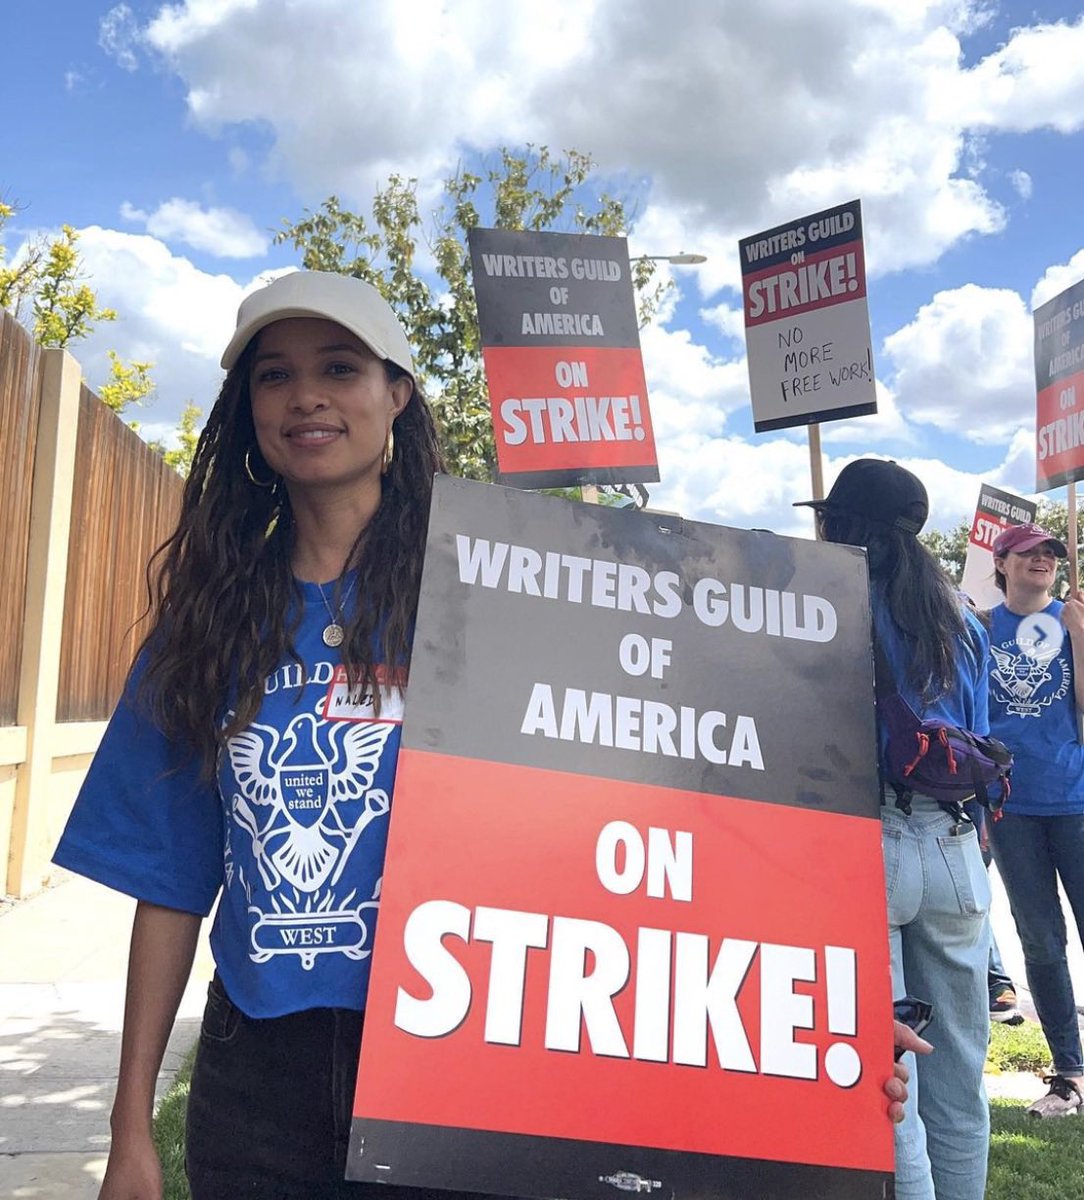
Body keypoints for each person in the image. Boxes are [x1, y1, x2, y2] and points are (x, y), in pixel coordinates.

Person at [54, 274, 920, 1200]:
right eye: (275, 376)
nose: (305, 395)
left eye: (340, 368)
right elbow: (171, 884)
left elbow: (669, 799)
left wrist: (828, 1005)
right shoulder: (207, 626)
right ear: (248, 411)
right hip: (258, 1078)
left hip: (466, 1061)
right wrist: (129, 1129)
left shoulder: (503, 591)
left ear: (397, 394)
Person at [797, 458, 992, 1200]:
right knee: (958, 1079)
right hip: (956, 850)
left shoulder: (827, 605)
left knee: (889, 1076)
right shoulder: (963, 619)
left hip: (866, 844)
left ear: (843, 526)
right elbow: (980, 734)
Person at [985, 521, 1084, 1117]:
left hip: (1075, 800)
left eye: (1050, 552)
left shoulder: (1074, 621)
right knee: (1041, 943)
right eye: (1028, 553)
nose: (1042, 560)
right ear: (1002, 564)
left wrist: (1079, 636)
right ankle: (1069, 1077)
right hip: (1009, 807)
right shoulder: (979, 628)